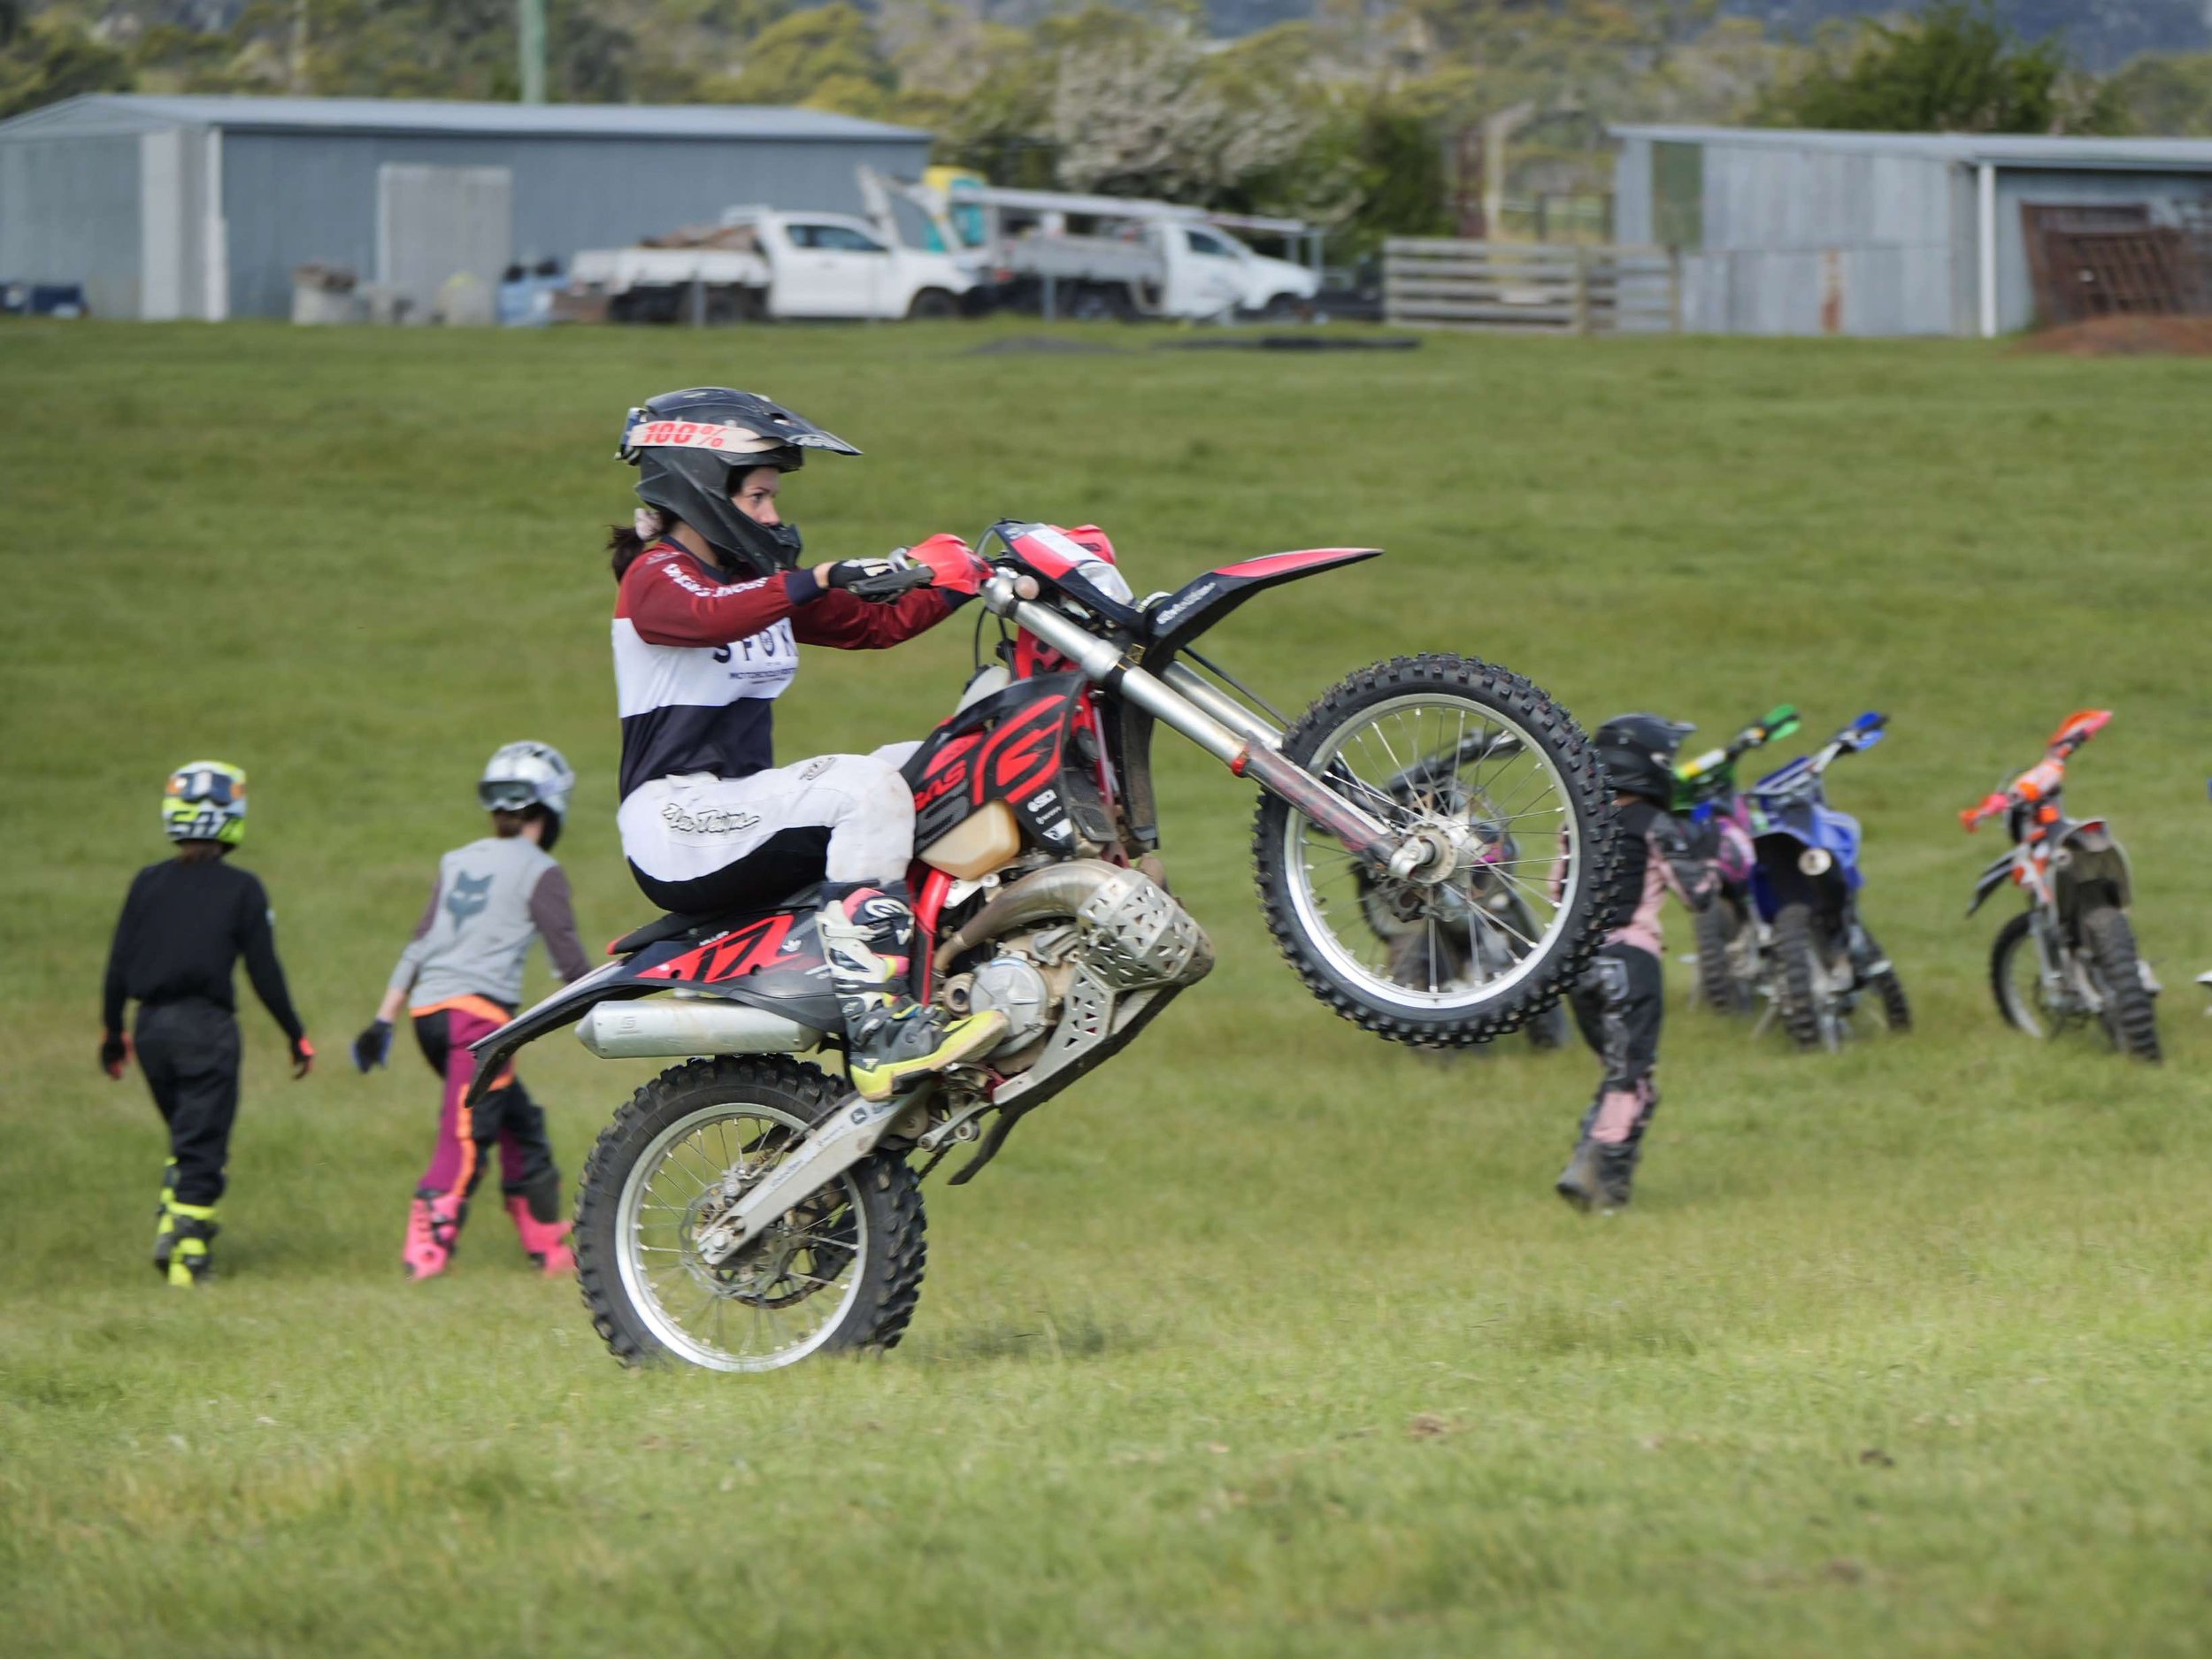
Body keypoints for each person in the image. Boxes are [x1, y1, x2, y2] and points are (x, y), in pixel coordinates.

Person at [606, 386, 1006, 1102]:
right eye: (759, 496)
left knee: (928, 762)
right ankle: (882, 1030)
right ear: (702, 488)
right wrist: (818, 576)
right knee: (865, 788)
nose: (773, 515)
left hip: (735, 810)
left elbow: (875, 624)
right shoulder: (656, 575)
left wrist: (969, 576)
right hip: (677, 822)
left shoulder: (754, 586)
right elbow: (701, 615)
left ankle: (955, 968)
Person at [352, 742, 591, 1280]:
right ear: (551, 807)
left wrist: (382, 1021)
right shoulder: (542, 870)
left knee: (518, 1122)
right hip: (477, 1022)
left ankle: (547, 1245)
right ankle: (425, 1251)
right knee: (466, 1131)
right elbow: (570, 964)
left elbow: (419, 944)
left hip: (428, 1015)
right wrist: (610, 1008)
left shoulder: (456, 860)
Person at [100, 761, 314, 1286]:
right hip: (206, 1032)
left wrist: (112, 1033)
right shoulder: (243, 889)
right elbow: (264, 972)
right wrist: (294, 1032)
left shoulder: (147, 883)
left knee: (186, 1135)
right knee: (203, 1144)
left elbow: (118, 964)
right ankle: (187, 1260)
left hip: (150, 1031)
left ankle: (174, 1218)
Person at [1555, 715, 1716, 1214]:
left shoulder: (1576, 825)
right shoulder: (1655, 824)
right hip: (1632, 961)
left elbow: (1556, 891)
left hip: (1577, 966)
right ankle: (1598, 1177)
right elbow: (1699, 895)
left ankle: (1599, 1174)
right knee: (1631, 1080)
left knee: (1623, 1077)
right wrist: (1709, 849)